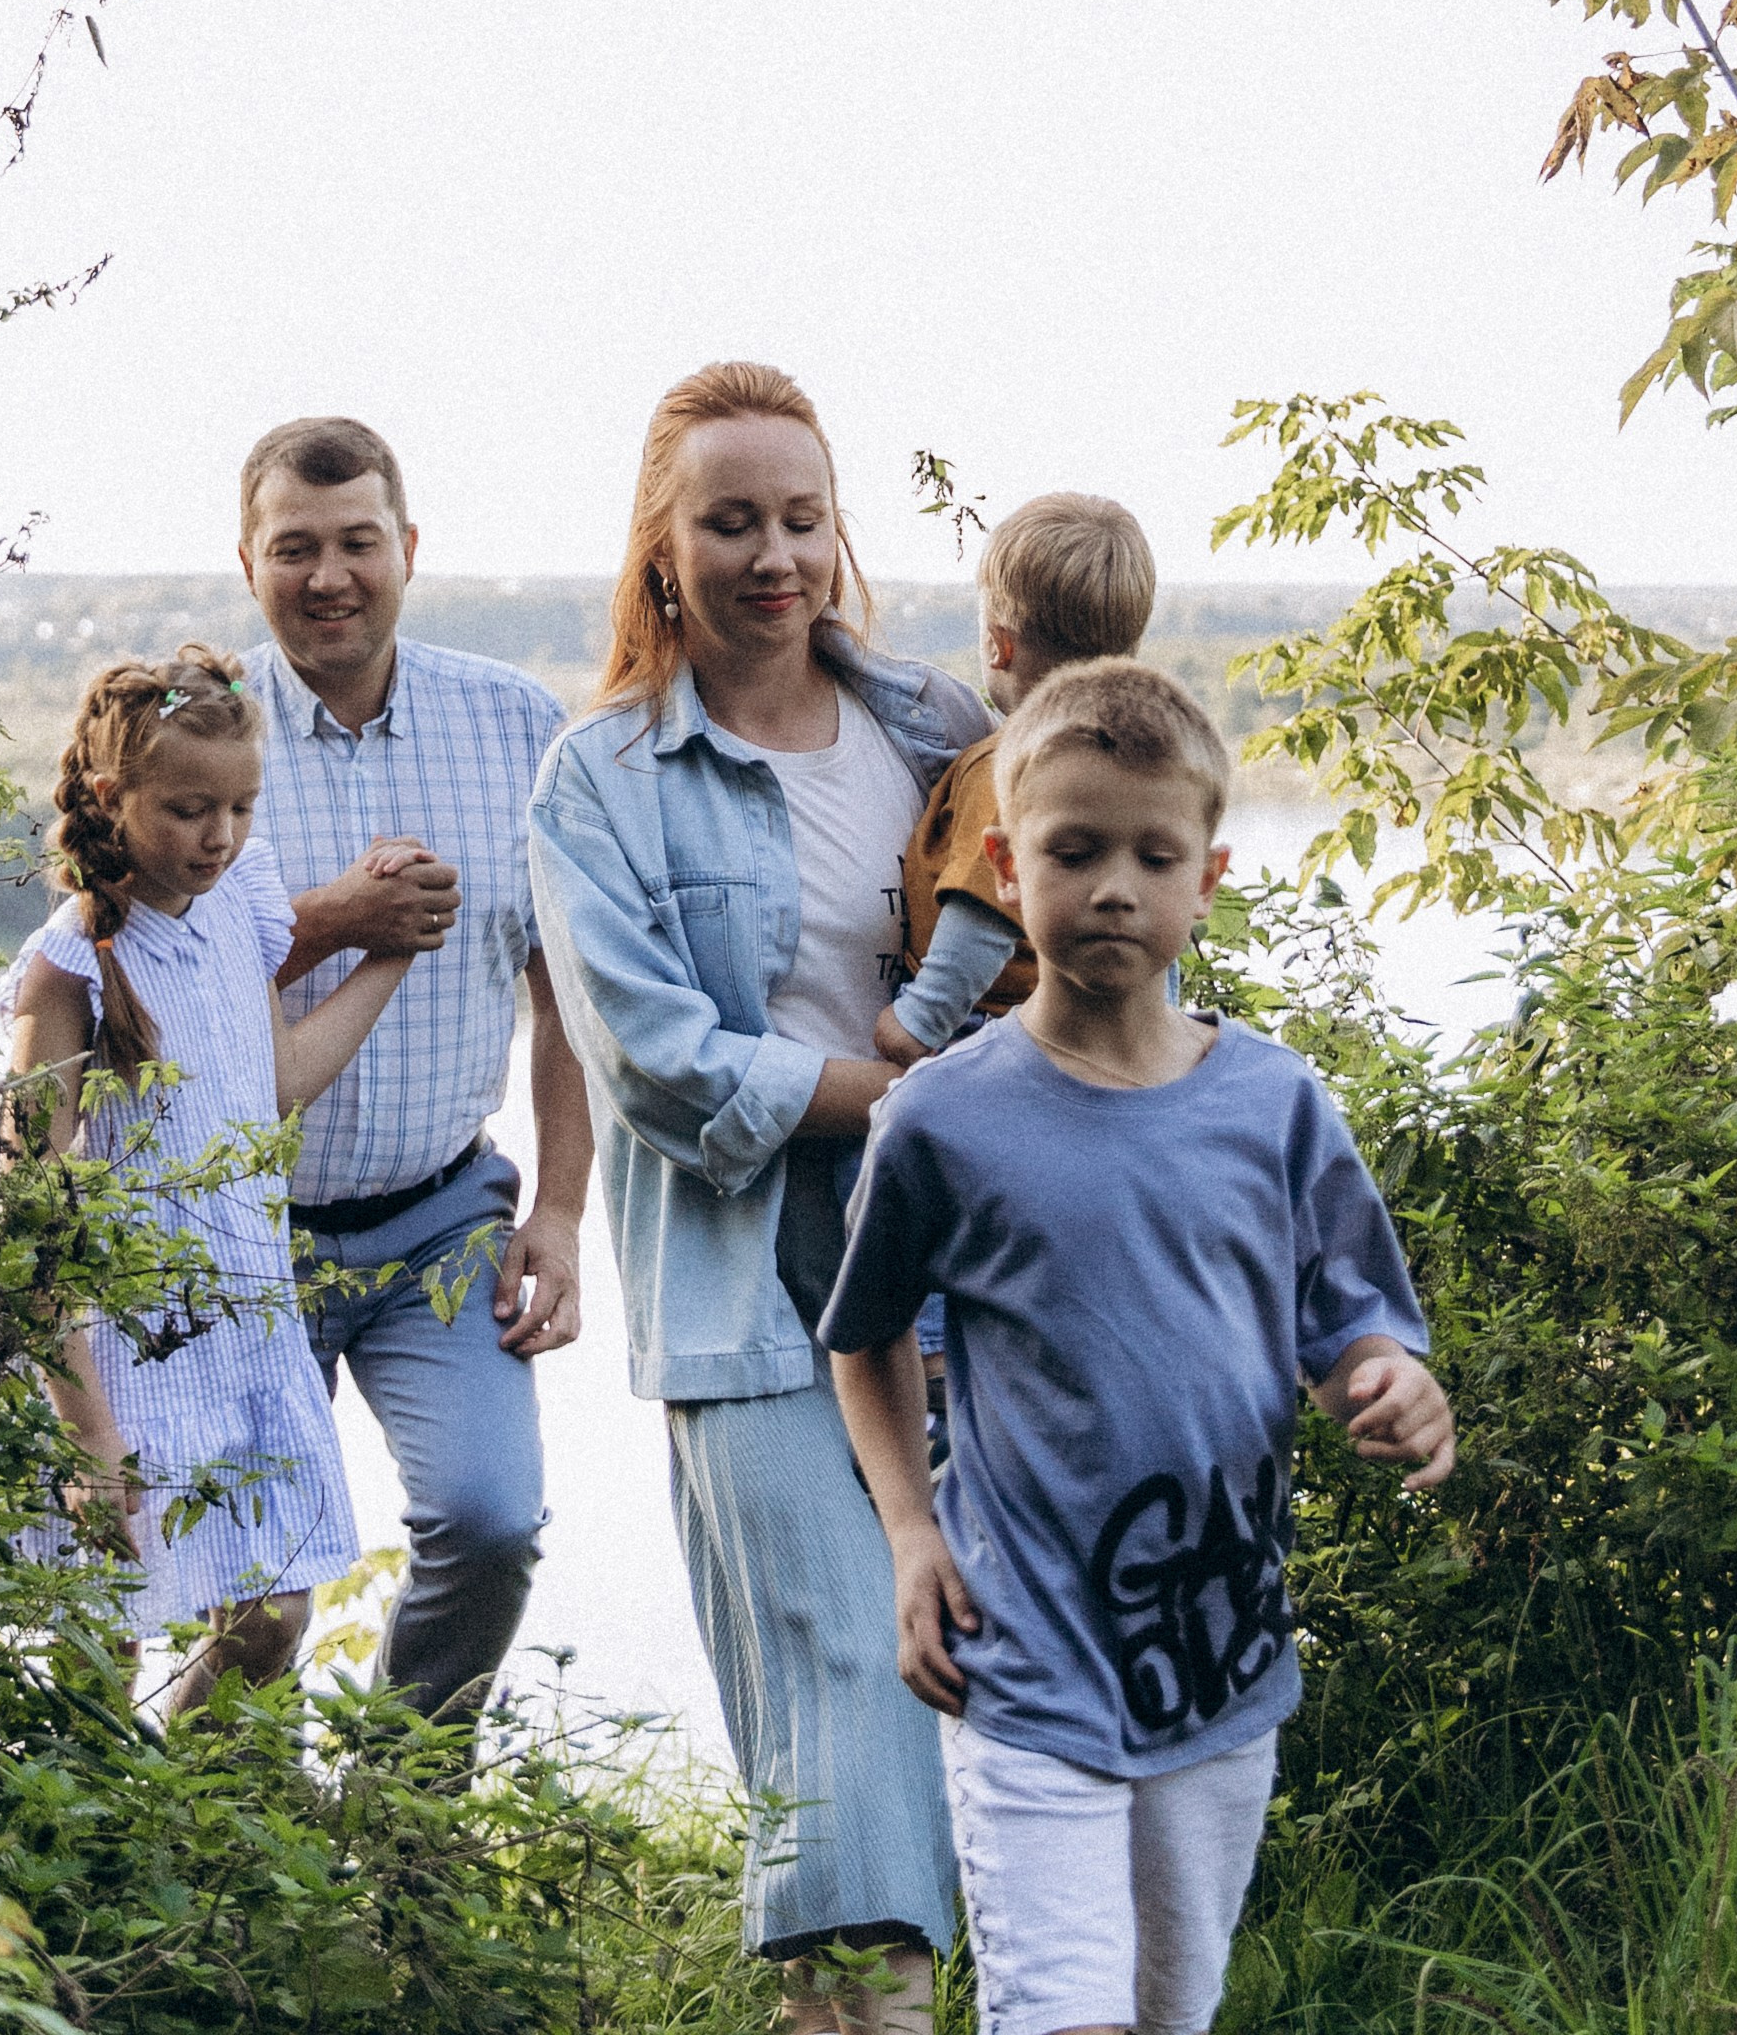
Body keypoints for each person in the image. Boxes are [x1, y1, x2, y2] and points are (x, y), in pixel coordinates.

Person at [824, 659, 1456, 2035]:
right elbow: (864, 1340)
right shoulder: (942, 1120)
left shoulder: (1274, 1106)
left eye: (1152, 855)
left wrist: (1391, 1381)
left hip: (1216, 1669)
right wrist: (913, 1537)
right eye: (1074, 849)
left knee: (1170, 2013)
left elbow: (1351, 1320)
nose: (1114, 885)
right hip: (1022, 1657)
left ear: (1207, 875)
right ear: (1003, 863)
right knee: (1067, 2016)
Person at [528, 361, 988, 2035]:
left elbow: (1076, 903)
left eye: (802, 514)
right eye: (731, 518)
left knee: (977, 1726)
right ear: (664, 544)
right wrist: (905, 1091)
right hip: (751, 1304)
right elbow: (661, 1067)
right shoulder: (602, 780)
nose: (773, 552)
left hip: (965, 1285)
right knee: (851, 1724)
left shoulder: (938, 728)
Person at [236, 413, 593, 1726]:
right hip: (238, 1232)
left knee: (492, 1523)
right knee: (257, 1595)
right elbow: (129, 982)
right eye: (295, 548)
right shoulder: (200, 731)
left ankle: (407, 1825)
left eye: (356, 543)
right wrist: (328, 921)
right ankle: (216, 1863)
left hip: (440, 1217)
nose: (328, 576)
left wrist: (556, 1208)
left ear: (407, 549)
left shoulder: (513, 726)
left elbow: (565, 996)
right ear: (249, 559)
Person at [0, 646, 414, 1718]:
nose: (218, 837)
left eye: (238, 806)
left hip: (243, 1323)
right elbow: (28, 1217)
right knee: (101, 1642)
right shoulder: (72, 966)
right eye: (186, 809)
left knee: (273, 1618)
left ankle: (167, 1800)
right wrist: (86, 1437)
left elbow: (271, 1087)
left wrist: (387, 959)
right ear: (109, 798)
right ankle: (91, 1850)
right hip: (122, 1348)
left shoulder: (240, 905)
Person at [874, 491, 1157, 1067]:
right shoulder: (1142, 767)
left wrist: (917, 1022)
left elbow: (987, 915)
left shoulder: (1012, 766)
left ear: (999, 646)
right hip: (1092, 1032)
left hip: (987, 1028)